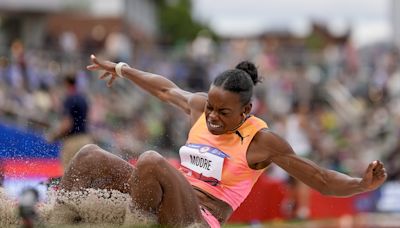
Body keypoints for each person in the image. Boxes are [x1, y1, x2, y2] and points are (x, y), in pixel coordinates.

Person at [59, 54, 387, 228]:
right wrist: (122, 68)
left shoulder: (261, 141)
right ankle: (56, 219)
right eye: (211, 108)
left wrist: (361, 183)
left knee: (150, 161)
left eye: (223, 113)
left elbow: (320, 179)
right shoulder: (203, 108)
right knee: (89, 155)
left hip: (198, 218)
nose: (212, 117)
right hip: (161, 200)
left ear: (246, 111)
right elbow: (164, 89)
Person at [47, 74, 92, 172]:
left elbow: (67, 123)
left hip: (72, 142)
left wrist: (54, 136)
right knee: (83, 173)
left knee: (68, 174)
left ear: (66, 83)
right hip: (85, 140)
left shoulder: (70, 99)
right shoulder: (83, 98)